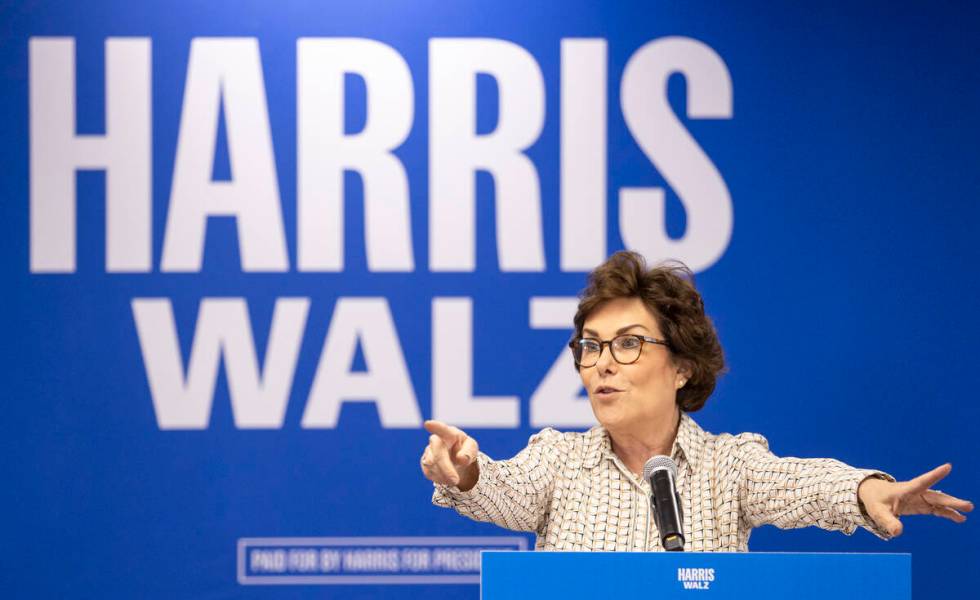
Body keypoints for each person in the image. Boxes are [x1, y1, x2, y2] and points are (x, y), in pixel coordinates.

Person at [419, 251, 973, 551]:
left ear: (682, 367)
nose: (602, 363)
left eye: (629, 344)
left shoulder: (727, 468)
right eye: (590, 347)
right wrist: (464, 473)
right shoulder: (557, 462)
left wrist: (867, 490)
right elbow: (501, 491)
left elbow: (800, 484)